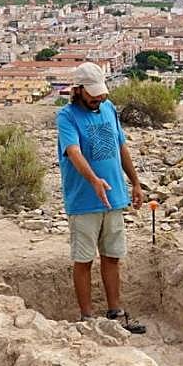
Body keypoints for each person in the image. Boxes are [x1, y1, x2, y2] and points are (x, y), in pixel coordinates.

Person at [56, 61, 146, 333]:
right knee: (83, 260)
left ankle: (115, 312)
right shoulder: (66, 116)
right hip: (84, 200)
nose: (98, 99)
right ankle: (86, 318)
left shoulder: (109, 108)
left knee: (112, 256)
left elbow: (121, 147)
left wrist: (136, 183)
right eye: (93, 94)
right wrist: (93, 180)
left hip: (115, 197)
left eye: (101, 94)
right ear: (79, 90)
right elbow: (73, 151)